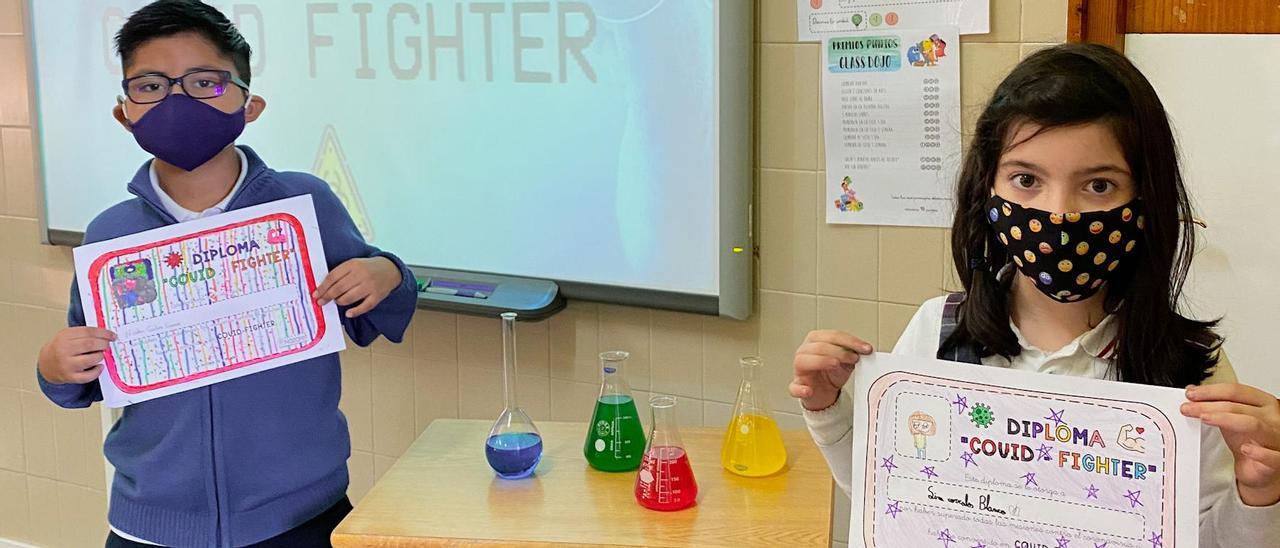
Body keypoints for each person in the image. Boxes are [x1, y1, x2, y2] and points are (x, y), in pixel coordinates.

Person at [791, 43, 1280, 546]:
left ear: (1144, 199)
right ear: (989, 188)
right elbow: (893, 496)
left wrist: (1259, 490)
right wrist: (829, 409)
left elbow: (1207, 537)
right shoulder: (940, 333)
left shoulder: (1191, 368)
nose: (1059, 214)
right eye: (1026, 180)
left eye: (1098, 186)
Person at [34, 1, 417, 545]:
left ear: (250, 103)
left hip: (303, 515)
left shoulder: (303, 202)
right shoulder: (111, 236)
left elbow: (370, 313)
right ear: (124, 112)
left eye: (204, 82)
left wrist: (386, 275)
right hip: (152, 524)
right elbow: (90, 371)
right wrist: (55, 366)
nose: (177, 99)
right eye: (150, 86)